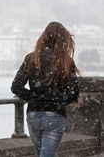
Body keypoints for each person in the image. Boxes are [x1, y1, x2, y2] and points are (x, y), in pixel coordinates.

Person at [11, 22, 80, 157]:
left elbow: (16, 86)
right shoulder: (66, 61)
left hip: (33, 114)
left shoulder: (32, 58)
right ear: (63, 40)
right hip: (55, 115)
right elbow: (73, 92)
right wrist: (57, 100)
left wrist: (33, 97)